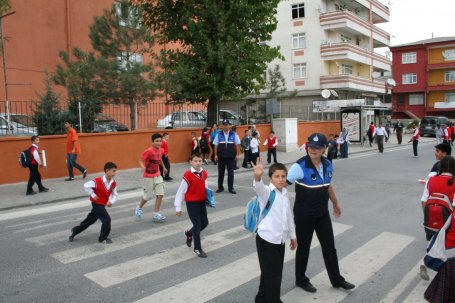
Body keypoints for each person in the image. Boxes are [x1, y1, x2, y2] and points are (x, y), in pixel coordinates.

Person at [287, 133, 355, 293]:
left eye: (317, 148)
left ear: (324, 149)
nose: (313, 150)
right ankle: (301, 279)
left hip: (322, 213)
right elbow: (280, 186)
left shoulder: (328, 164)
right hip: (304, 215)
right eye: (310, 146)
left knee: (330, 247)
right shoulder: (300, 166)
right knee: (303, 248)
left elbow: (328, 185)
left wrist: (335, 203)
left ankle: (336, 279)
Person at [251, 158, 297, 303]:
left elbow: (288, 216)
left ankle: (261, 298)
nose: (281, 179)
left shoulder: (284, 193)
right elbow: (258, 187)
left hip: (280, 240)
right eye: (277, 176)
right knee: (274, 276)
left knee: (268, 273)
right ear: (270, 178)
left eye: (283, 176)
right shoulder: (266, 192)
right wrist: (257, 176)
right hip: (267, 240)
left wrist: (293, 235)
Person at [420, 156, 455, 281]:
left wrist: (427, 216)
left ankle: (427, 264)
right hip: (447, 220)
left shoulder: (432, 180)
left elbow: (424, 200)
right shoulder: (453, 181)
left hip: (430, 218)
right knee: (441, 244)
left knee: (434, 240)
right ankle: (428, 264)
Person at [69, 162, 118, 244]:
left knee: (90, 220)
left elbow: (115, 195)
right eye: (114, 171)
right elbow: (86, 185)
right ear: (107, 171)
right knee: (106, 219)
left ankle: (75, 230)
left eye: (115, 171)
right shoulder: (97, 181)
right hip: (96, 203)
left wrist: (111, 202)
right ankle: (102, 238)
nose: (115, 173)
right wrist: (93, 194)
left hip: (102, 204)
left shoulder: (113, 183)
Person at [175, 152, 211, 258]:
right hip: (192, 203)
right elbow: (180, 192)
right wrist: (178, 207)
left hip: (201, 202)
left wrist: (208, 199)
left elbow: (205, 186)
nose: (198, 163)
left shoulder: (204, 173)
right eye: (195, 161)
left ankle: (189, 233)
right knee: (197, 224)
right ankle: (197, 249)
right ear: (191, 162)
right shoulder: (187, 175)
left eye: (200, 161)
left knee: (205, 223)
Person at [135, 133, 168, 222]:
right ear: (152, 142)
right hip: (148, 176)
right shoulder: (149, 151)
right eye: (157, 141)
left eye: (160, 141)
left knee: (160, 194)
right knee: (147, 196)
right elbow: (141, 160)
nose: (159, 143)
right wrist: (142, 166)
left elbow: (160, 159)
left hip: (157, 175)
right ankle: (139, 207)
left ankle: (156, 214)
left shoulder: (161, 150)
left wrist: (164, 167)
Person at [213, 119, 241, 194]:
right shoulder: (218, 134)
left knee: (230, 173)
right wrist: (215, 155)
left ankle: (231, 188)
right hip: (221, 156)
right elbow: (215, 145)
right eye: (224, 125)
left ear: (230, 125)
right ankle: (220, 187)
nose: (225, 126)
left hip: (231, 157)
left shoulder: (234, 134)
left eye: (227, 124)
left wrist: (238, 155)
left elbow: (238, 144)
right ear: (222, 126)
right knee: (221, 172)